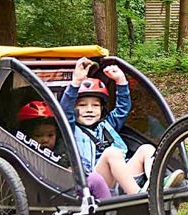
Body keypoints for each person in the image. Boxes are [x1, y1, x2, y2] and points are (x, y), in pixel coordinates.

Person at [60, 58, 181, 199]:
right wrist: (76, 82)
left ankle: (156, 183)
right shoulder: (72, 129)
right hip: (99, 181)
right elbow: (65, 110)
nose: (89, 110)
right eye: (82, 105)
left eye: (95, 105)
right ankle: (140, 196)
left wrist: (121, 81)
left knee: (146, 149)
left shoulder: (107, 124)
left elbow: (123, 108)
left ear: (102, 109)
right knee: (112, 153)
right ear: (74, 109)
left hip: (123, 177)